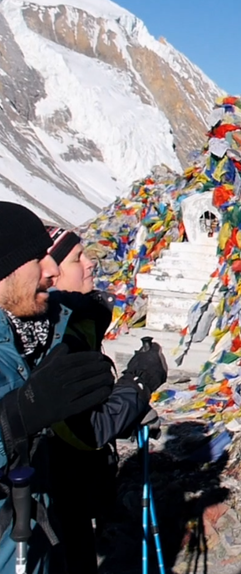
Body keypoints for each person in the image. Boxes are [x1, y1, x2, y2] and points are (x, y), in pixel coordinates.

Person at [39, 226, 169, 574]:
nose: (90, 264)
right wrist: (138, 385)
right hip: (58, 495)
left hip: (71, 491)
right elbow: (87, 429)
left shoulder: (74, 323)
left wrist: (127, 404)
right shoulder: (57, 337)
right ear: (48, 272)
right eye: (76, 258)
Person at [0, 203, 117, 573]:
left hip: (29, 544)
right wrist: (14, 419)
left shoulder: (19, 338)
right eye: (38, 258)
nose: (51, 269)